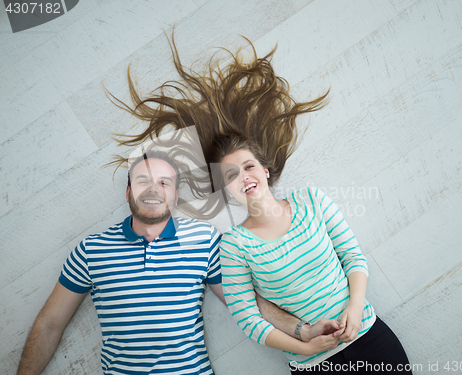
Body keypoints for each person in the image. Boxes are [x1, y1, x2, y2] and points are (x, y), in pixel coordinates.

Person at [112, 36, 413, 374]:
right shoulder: (236, 245)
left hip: (370, 339)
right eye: (230, 176)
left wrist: (355, 310)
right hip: (312, 364)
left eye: (249, 166)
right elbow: (247, 318)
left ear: (265, 171)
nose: (243, 177)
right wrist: (305, 342)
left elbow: (353, 257)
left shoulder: (311, 201)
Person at [17, 149, 338, 375]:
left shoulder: (203, 239)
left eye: (164, 183)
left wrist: (302, 330)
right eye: (143, 181)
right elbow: (49, 324)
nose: (153, 190)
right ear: (128, 191)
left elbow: (244, 302)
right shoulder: (91, 250)